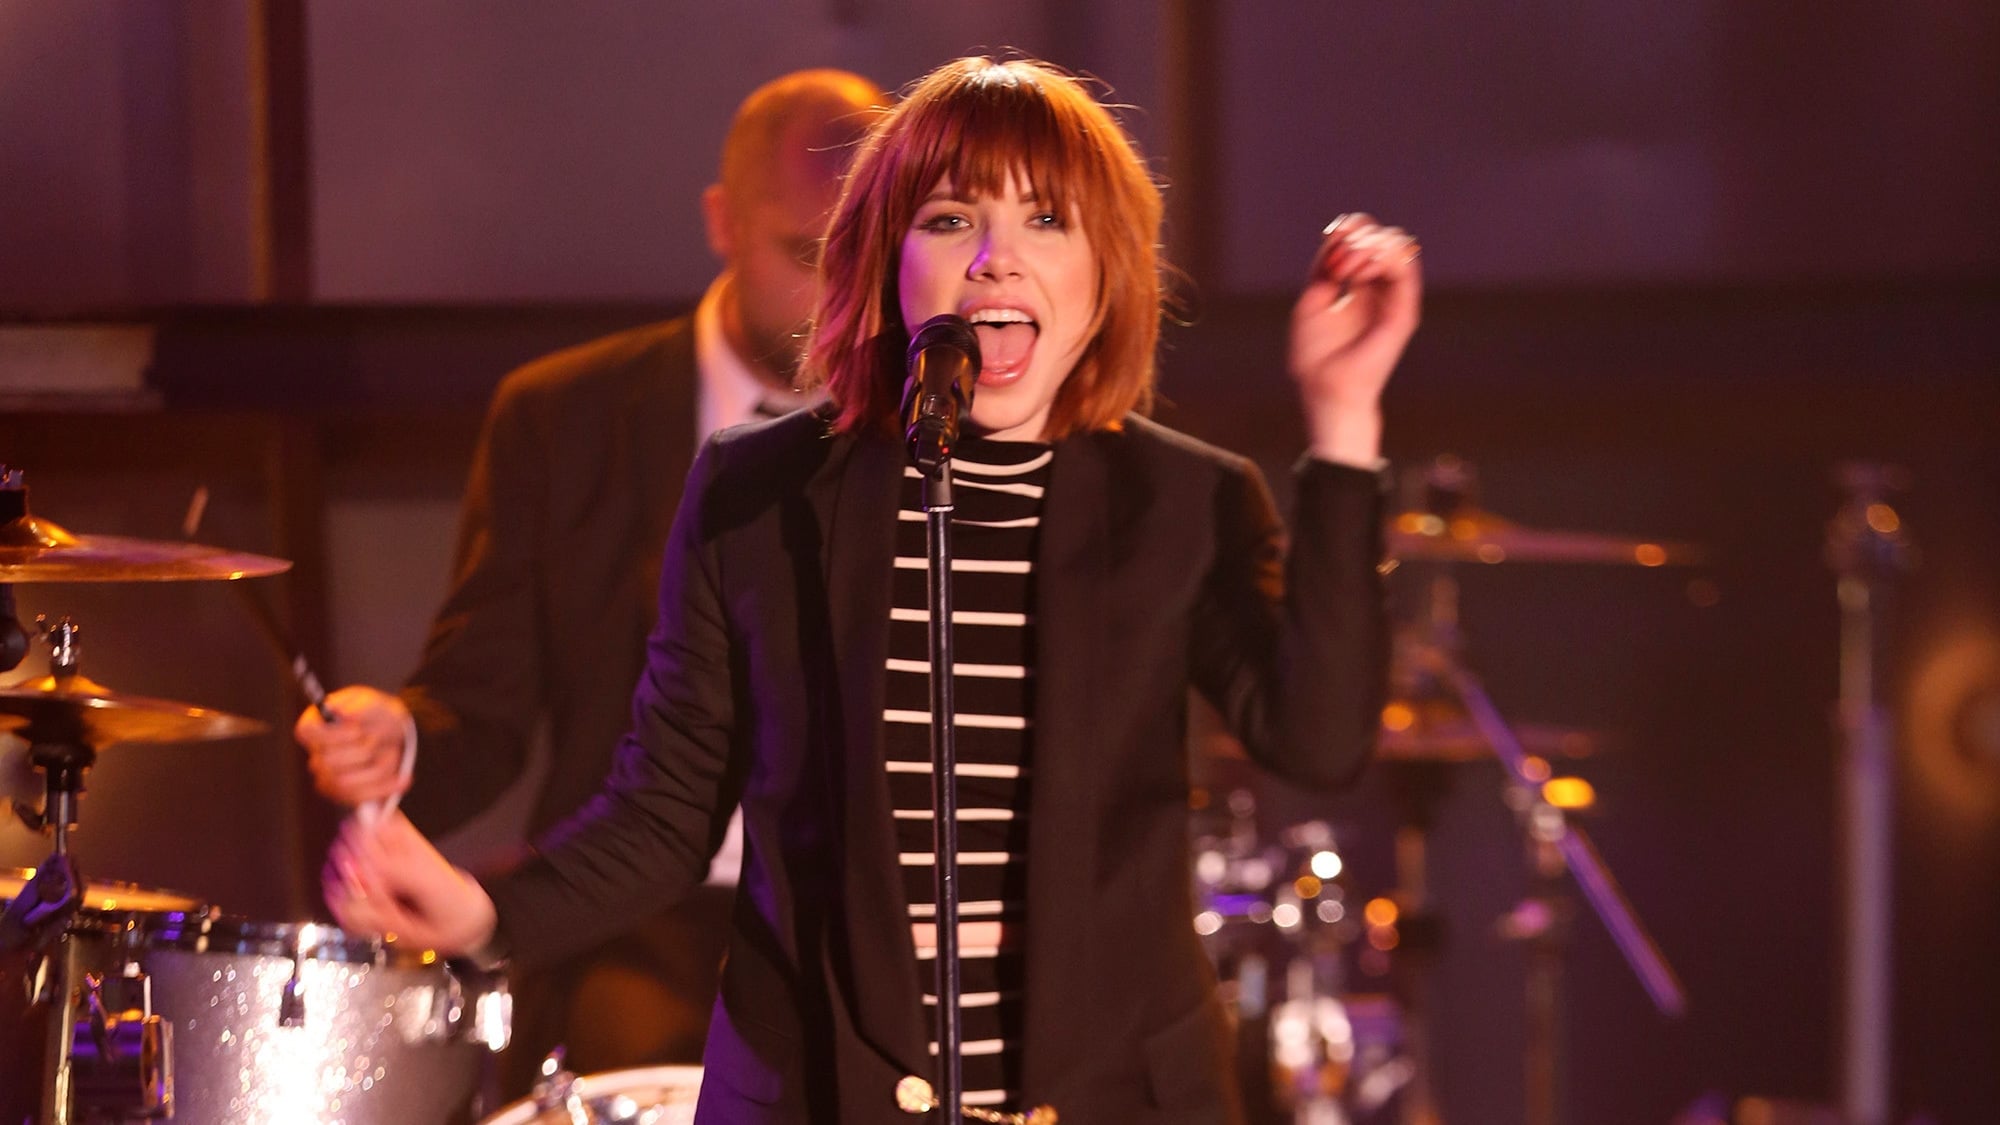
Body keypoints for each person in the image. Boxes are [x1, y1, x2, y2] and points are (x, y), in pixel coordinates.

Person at [324, 55, 1420, 1124]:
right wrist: (484, 911)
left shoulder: (1183, 501)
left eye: (1046, 220)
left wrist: (1342, 420)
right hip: (822, 1084)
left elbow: (1319, 738)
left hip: (1117, 1090)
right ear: (884, 262)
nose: (995, 259)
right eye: (949, 219)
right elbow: (665, 811)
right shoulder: (762, 492)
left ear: (1107, 275)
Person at [292, 68, 887, 1094]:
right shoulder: (563, 420)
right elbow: (482, 703)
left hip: (873, 924)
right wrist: (401, 739)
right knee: (629, 1041)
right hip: (635, 912)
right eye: (805, 254)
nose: (839, 297)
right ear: (722, 222)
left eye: (865, 255)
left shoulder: (934, 418)